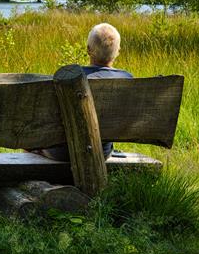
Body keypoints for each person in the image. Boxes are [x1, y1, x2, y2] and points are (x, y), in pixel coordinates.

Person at [34, 22, 133, 161]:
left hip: (61, 153)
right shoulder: (127, 79)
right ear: (118, 51)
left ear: (88, 49)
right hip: (102, 152)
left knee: (32, 146)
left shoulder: (68, 78)